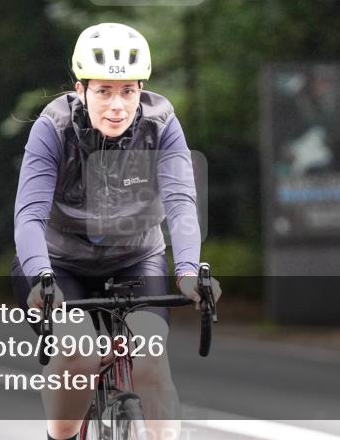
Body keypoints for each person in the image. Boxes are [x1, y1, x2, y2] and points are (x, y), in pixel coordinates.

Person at [11, 22, 222, 440]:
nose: (117, 106)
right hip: (59, 264)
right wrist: (40, 278)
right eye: (103, 91)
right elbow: (29, 215)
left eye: (128, 91)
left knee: (150, 357)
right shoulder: (53, 128)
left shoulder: (161, 124)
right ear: (81, 88)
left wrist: (186, 271)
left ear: (141, 89)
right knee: (79, 353)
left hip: (134, 258)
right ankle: (62, 436)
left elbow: (180, 203)